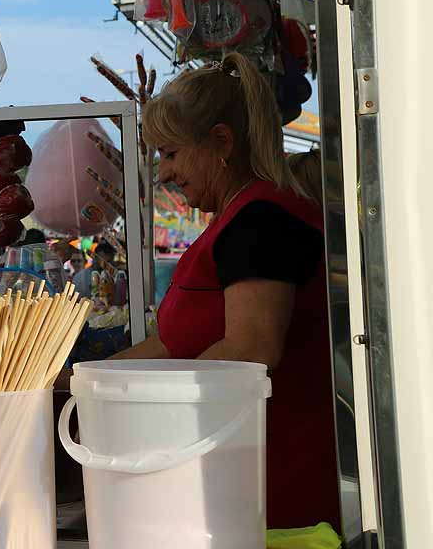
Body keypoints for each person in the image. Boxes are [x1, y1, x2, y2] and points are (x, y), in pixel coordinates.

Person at [105, 53, 338, 530]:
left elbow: (252, 347)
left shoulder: (262, 221)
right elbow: (172, 345)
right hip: (240, 477)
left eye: (171, 154)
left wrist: (152, 410)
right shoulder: (237, 218)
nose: (164, 174)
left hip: (279, 486)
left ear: (221, 142)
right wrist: (89, 379)